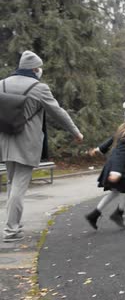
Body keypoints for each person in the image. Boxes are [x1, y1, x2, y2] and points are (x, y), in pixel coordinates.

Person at [1, 50, 84, 242]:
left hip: (5, 141)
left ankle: (13, 223)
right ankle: (11, 230)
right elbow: (58, 112)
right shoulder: (39, 88)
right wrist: (76, 132)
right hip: (26, 142)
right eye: (39, 68)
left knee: (12, 184)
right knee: (19, 186)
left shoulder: (2, 84)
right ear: (35, 69)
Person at [85, 101, 125, 230]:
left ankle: (94, 214)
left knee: (115, 192)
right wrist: (116, 171)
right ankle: (118, 214)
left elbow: (111, 139)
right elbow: (120, 153)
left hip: (122, 164)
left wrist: (99, 149)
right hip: (121, 165)